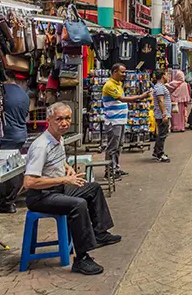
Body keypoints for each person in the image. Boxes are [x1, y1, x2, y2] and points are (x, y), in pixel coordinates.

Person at [24, 102, 121, 275]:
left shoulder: (58, 138)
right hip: (41, 196)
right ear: (49, 120)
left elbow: (56, 161)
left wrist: (66, 168)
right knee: (78, 204)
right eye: (59, 119)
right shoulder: (41, 146)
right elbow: (29, 182)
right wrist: (64, 179)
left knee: (93, 189)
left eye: (67, 118)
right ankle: (82, 259)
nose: (64, 123)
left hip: (58, 188)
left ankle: (100, 232)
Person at [102, 63, 151, 178]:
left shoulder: (118, 84)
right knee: (112, 147)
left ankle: (116, 168)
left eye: (125, 72)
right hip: (113, 122)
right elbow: (122, 99)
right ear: (114, 72)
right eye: (122, 72)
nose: (124, 74)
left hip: (120, 120)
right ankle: (109, 171)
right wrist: (140, 97)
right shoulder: (109, 85)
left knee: (119, 146)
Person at [0, 72, 29, 214]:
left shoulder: (3, 93)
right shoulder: (24, 94)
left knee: (4, 171)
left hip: (7, 136)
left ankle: (4, 202)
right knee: (14, 167)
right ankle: (9, 202)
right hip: (20, 134)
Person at [151, 69, 172, 163]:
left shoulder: (161, 86)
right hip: (162, 114)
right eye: (167, 74)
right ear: (163, 75)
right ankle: (160, 154)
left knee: (162, 133)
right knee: (162, 134)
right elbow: (160, 101)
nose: (168, 76)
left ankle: (157, 151)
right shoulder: (159, 87)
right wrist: (164, 114)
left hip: (163, 113)